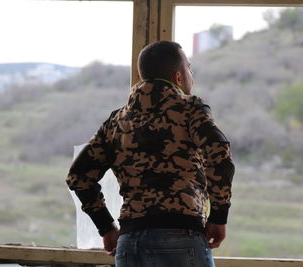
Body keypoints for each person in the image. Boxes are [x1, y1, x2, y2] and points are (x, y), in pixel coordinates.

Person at [66, 40, 234, 267]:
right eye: (189, 69)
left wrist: (106, 228)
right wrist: (218, 217)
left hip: (130, 243)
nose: (191, 76)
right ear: (178, 77)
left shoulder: (116, 122)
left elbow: (79, 177)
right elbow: (219, 154)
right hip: (181, 235)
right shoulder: (190, 109)